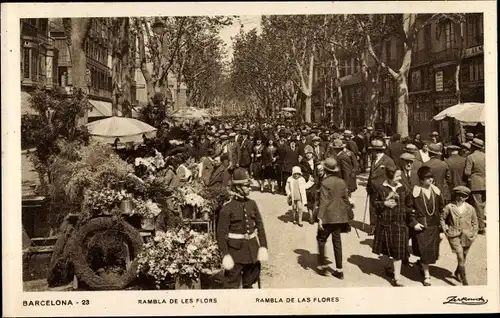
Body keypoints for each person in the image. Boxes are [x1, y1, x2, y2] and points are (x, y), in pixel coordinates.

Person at [217, 168, 268, 289]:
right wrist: (226, 255)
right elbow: (221, 235)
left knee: (249, 283)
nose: (250, 188)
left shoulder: (252, 204)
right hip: (235, 253)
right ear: (237, 187)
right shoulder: (227, 208)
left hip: (252, 252)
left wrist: (263, 247)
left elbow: (260, 227)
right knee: (232, 286)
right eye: (246, 186)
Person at [316, 158, 354, 280]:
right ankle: (339, 270)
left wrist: (320, 218)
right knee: (337, 241)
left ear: (326, 170)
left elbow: (323, 202)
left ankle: (322, 266)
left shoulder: (325, 183)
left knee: (321, 239)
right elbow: (345, 199)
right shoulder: (341, 182)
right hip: (339, 217)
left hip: (327, 217)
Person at [371, 166, 409, 287]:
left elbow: (408, 204)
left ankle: (397, 278)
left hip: (400, 223)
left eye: (400, 176)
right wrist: (384, 203)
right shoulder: (381, 188)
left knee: (397, 252)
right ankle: (388, 266)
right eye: (397, 176)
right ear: (390, 176)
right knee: (387, 248)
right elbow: (374, 203)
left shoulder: (403, 188)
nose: (400, 178)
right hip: (385, 223)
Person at [408, 166, 445, 286]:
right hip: (421, 227)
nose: (430, 180)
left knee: (430, 252)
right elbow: (409, 209)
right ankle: (427, 276)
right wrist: (414, 223)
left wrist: (441, 229)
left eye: (431, 177)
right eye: (427, 178)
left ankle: (423, 266)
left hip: (433, 227)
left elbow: (441, 211)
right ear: (421, 179)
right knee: (424, 251)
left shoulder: (437, 191)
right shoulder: (415, 192)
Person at [440, 186, 478, 286]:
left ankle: (458, 272)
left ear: (467, 197)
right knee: (460, 255)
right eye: (459, 195)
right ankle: (464, 279)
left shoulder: (470, 208)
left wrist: (474, 234)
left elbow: (475, 223)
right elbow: (442, 219)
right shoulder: (449, 207)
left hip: (467, 235)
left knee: (464, 256)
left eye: (464, 196)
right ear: (455, 195)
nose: (461, 198)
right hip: (454, 235)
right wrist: (445, 230)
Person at [367, 139, 397, 235]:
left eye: (372, 150)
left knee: (382, 208)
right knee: (372, 208)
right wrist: (368, 185)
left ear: (376, 150)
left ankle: (382, 228)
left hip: (383, 190)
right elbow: (371, 174)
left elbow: (393, 176)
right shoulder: (374, 159)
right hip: (373, 188)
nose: (371, 152)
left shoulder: (388, 160)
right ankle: (373, 227)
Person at [464, 138, 486, 234]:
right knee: (482, 205)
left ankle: (480, 227)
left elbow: (467, 172)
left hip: (475, 184)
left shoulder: (470, 157)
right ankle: (480, 224)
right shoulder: (486, 156)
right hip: (486, 183)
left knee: (477, 206)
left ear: (473, 147)